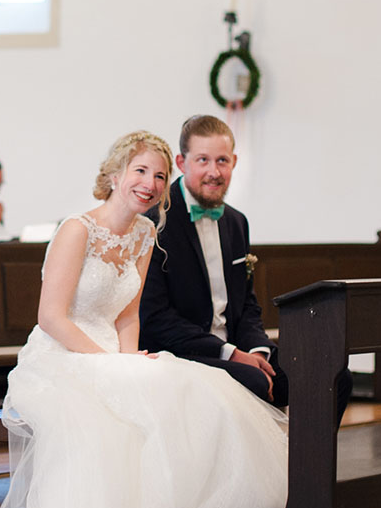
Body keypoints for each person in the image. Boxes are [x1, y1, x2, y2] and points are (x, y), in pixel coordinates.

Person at [0, 131, 287, 508]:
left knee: (198, 390)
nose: (149, 184)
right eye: (140, 171)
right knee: (115, 415)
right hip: (60, 355)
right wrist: (110, 361)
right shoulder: (76, 229)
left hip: (114, 354)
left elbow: (128, 316)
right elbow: (51, 317)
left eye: (159, 175)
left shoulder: (144, 234)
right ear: (115, 175)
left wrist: (128, 357)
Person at [140, 115, 350, 416]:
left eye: (222, 160)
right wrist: (229, 353)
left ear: (234, 162)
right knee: (254, 381)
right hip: (182, 353)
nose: (214, 172)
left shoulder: (236, 223)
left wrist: (256, 350)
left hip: (238, 347)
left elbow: (246, 304)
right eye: (203, 160)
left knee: (333, 375)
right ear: (182, 163)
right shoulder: (155, 221)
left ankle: (312, 463)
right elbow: (156, 318)